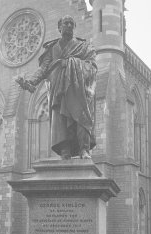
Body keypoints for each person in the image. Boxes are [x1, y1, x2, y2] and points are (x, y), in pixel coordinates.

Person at [16, 15, 97, 159]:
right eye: (66, 23)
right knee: (60, 121)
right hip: (58, 90)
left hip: (78, 90)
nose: (69, 26)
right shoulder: (52, 48)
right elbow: (43, 68)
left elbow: (92, 66)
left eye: (72, 23)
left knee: (81, 118)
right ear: (59, 28)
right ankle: (65, 151)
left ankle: (84, 149)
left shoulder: (83, 46)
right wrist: (30, 82)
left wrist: (71, 63)